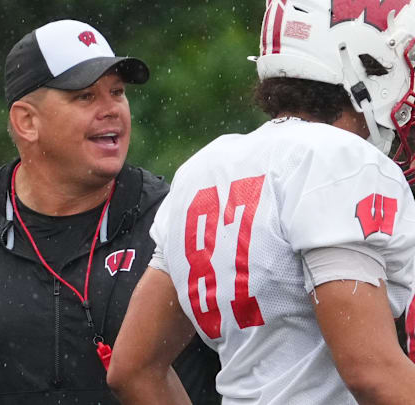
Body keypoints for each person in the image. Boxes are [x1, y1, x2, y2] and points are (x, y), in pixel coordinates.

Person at [0, 19, 220, 405]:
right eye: (85, 96)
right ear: (27, 121)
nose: (111, 109)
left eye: (117, 92)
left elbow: (250, 369)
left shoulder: (180, 218)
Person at [108, 1, 415, 404]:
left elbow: (132, 368)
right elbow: (370, 369)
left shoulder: (206, 167)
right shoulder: (342, 161)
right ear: (362, 61)